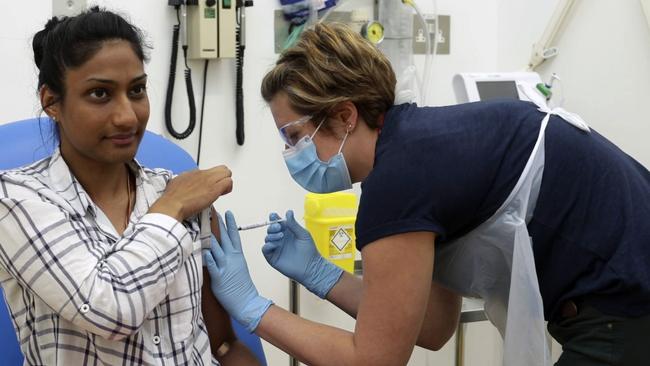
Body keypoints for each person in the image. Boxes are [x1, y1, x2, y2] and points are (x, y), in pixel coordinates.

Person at [203, 22, 650, 366]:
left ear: (343, 116)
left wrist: (252, 307)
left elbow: (374, 360)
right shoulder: (420, 147)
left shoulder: (399, 182)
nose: (290, 154)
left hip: (627, 310)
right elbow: (434, 326)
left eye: (295, 136)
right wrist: (323, 275)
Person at [0, 7, 260, 365]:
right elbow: (109, 311)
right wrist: (170, 209)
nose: (127, 116)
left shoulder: (181, 195)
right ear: (51, 102)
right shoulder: (17, 200)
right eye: (100, 94)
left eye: (136, 90)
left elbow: (223, 345)